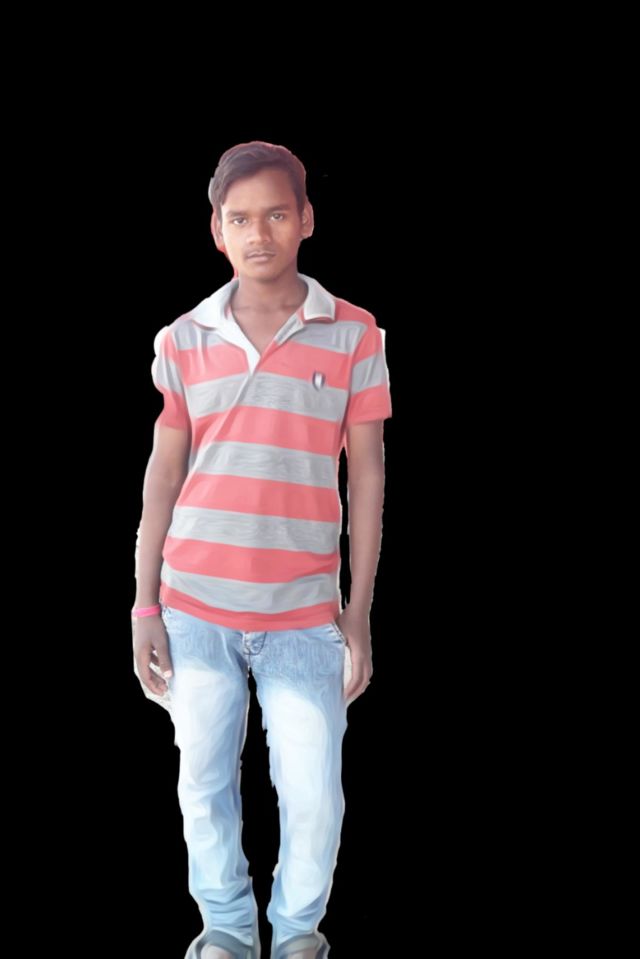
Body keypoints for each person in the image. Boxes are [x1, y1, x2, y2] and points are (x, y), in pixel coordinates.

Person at [131, 141, 392, 959]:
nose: (259, 233)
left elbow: (369, 475)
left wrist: (358, 611)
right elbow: (163, 475)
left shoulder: (355, 334)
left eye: (276, 214)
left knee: (313, 795)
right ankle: (228, 928)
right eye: (240, 219)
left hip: (305, 612)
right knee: (203, 784)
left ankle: (297, 931)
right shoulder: (183, 339)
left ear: (306, 219)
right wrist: (144, 602)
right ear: (217, 230)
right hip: (195, 606)